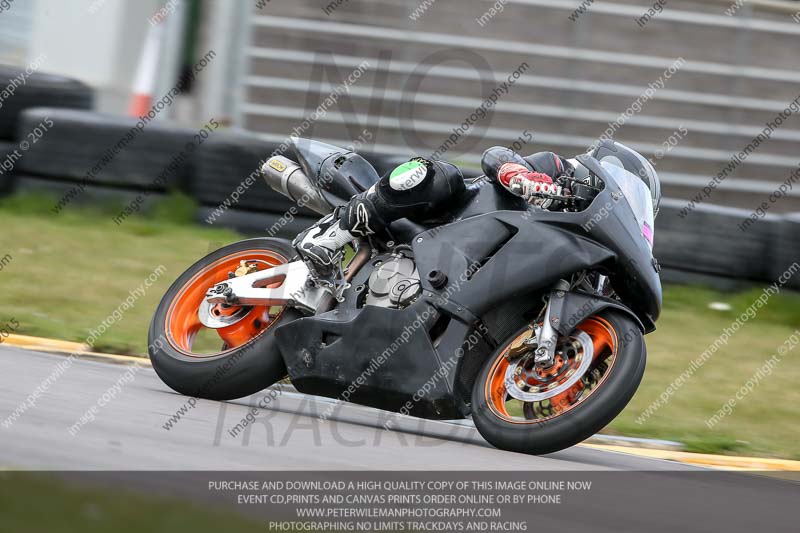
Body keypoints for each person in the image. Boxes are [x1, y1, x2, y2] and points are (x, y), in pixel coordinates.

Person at [296, 140, 657, 271]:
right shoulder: (561, 171)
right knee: (437, 174)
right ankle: (330, 235)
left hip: (482, 270)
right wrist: (520, 175)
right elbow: (497, 155)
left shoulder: (588, 248)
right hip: (449, 217)